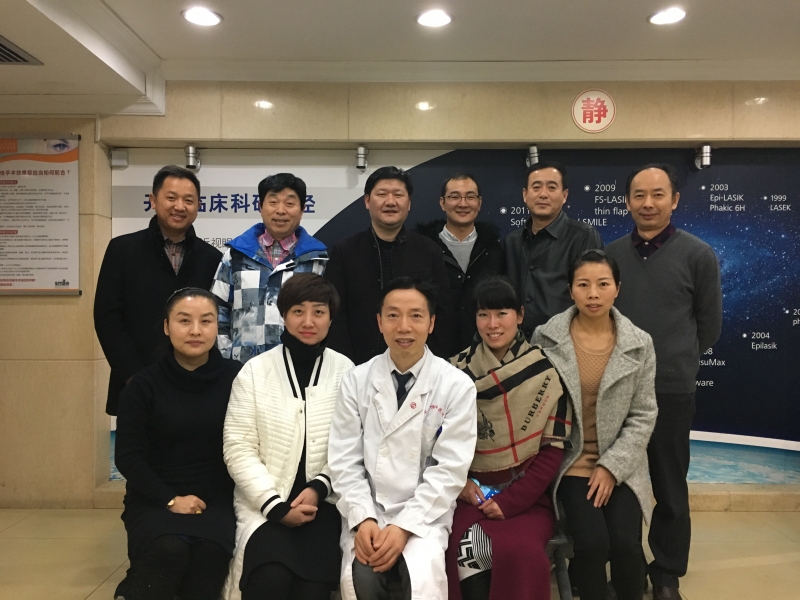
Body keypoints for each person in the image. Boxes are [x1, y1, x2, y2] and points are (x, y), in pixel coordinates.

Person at [605, 164, 722, 600]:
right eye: (639, 195)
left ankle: (667, 573)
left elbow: (708, 327)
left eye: (658, 194)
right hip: (618, 390)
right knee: (620, 483)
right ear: (627, 202)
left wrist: (674, 359)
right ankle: (628, 568)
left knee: (670, 485)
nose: (648, 203)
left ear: (674, 199)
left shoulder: (698, 254)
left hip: (671, 389)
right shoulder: (611, 254)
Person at [328, 277, 477, 600]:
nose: (404, 327)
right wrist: (363, 518)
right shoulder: (356, 381)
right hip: (368, 508)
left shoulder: (456, 385)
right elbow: (344, 460)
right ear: (379, 322)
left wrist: (404, 526)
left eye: (416, 316)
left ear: (431, 323)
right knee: (363, 578)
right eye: (393, 315)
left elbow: (449, 470)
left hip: (425, 514)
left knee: (418, 581)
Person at [532, 250, 657, 600]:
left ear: (617, 288)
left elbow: (644, 414)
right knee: (591, 543)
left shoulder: (639, 343)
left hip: (622, 463)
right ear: (570, 289)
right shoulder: (546, 338)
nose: (593, 294)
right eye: (583, 284)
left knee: (627, 545)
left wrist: (612, 466)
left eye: (603, 284)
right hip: (570, 462)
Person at [221, 274, 354, 600]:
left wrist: (319, 487)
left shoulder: (347, 371)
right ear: (283, 315)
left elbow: (353, 447)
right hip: (265, 503)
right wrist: (275, 506)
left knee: (312, 590)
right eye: (298, 311)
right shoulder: (254, 371)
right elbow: (238, 448)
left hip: (323, 504)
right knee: (269, 579)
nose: (308, 321)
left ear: (331, 318)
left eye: (319, 312)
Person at [446, 277, 573, 600]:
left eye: (502, 313)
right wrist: (461, 485)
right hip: (468, 494)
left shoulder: (545, 372)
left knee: (522, 553)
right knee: (463, 545)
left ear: (520, 315)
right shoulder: (452, 372)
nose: (492, 324)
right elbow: (436, 443)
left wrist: (511, 501)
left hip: (527, 499)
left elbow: (552, 452)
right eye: (483, 314)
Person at [114, 288, 242, 600]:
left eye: (206, 321)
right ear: (166, 326)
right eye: (184, 321)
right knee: (168, 550)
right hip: (155, 498)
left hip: (217, 500)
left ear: (217, 327)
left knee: (209, 554)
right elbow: (128, 457)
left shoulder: (238, 379)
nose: (196, 330)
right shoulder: (142, 386)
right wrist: (170, 499)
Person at [95, 165, 221, 415]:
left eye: (188, 200)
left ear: (198, 205)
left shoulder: (212, 258)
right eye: (171, 197)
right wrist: (134, 377)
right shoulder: (123, 250)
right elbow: (107, 317)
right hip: (135, 381)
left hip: (196, 384)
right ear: (153, 200)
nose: (179, 206)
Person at [325, 166, 454, 364]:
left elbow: (442, 314)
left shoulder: (429, 251)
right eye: (382, 194)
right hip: (356, 367)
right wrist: (346, 366)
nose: (390, 202)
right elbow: (335, 316)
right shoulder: (344, 251)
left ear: (409, 203)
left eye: (398, 195)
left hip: (417, 365)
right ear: (367, 201)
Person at [211, 172, 328, 363]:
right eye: (273, 202)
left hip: (299, 366)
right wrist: (227, 357)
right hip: (241, 367)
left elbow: (327, 316)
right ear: (260, 207)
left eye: (289, 203)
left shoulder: (317, 259)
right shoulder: (235, 255)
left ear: (302, 210)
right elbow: (216, 309)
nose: (280, 210)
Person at [503, 161, 603, 338]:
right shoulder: (512, 242)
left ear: (564, 195)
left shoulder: (583, 236)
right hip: (517, 344)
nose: (543, 194)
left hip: (565, 344)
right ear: (525, 194)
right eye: (536, 187)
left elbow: (593, 296)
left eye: (551, 187)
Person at [415, 173, 505, 355]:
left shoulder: (496, 251)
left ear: (479, 203)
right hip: (433, 354)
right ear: (442, 203)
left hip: (485, 354)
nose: (463, 204)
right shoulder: (422, 250)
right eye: (454, 197)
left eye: (470, 197)